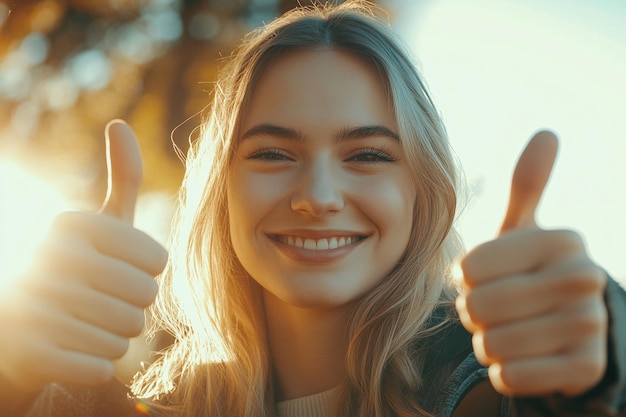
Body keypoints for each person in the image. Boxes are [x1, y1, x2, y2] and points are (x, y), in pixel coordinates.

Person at [0, 1, 624, 416]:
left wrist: (606, 357)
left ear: (422, 191)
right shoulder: (125, 405)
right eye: (272, 153)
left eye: (368, 156)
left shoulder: (496, 394)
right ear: (222, 191)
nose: (318, 197)